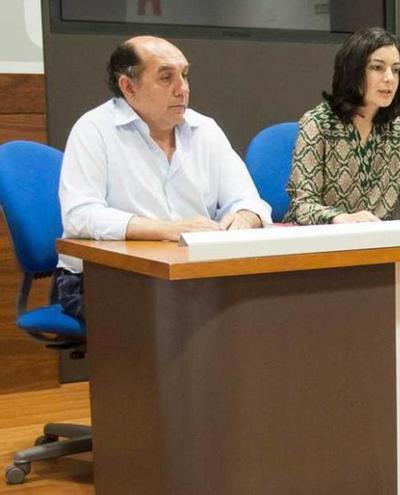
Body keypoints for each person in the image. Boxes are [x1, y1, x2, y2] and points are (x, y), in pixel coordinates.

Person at [56, 36, 271, 320]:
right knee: (185, 320)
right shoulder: (94, 130)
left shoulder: (204, 130)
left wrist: (244, 217)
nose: (182, 89)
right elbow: (80, 216)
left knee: (265, 304)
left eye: (184, 75)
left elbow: (248, 200)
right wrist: (167, 229)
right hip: (105, 279)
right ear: (128, 87)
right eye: (166, 78)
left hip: (192, 274)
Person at [284, 27, 400, 225]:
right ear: (352, 71)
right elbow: (301, 206)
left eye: (395, 70)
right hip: (324, 244)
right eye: (377, 67)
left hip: (380, 243)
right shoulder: (318, 124)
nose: (389, 78)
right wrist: (340, 217)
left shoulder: (397, 129)